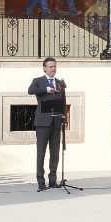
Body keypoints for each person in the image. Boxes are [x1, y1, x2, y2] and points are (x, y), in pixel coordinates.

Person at [28, 57, 67, 191]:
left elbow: (63, 102)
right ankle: (41, 181)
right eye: (50, 66)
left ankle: (53, 180)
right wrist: (46, 89)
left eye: (55, 66)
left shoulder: (59, 83)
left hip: (56, 122)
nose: (53, 69)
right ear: (44, 68)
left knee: (55, 153)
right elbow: (30, 90)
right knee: (41, 153)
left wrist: (64, 119)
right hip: (43, 123)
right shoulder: (38, 81)